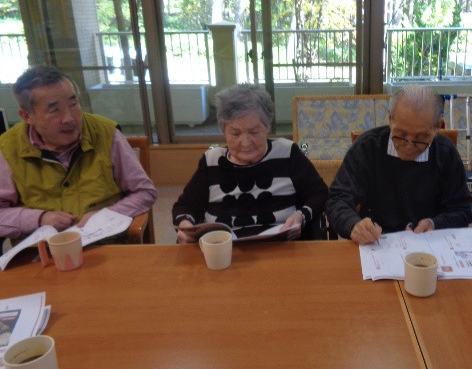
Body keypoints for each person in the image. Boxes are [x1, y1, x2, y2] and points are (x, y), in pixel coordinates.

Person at [0, 66, 158, 240]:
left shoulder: (105, 133)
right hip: (41, 249)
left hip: (104, 244)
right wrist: (39, 219)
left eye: (73, 104)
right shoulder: (7, 148)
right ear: (26, 116)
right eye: (54, 110)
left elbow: (145, 192)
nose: (69, 118)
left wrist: (106, 216)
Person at [173, 85, 328, 243]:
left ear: (267, 127)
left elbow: (319, 193)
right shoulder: (211, 161)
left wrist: (300, 216)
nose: (246, 142)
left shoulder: (287, 152)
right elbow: (184, 206)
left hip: (281, 248)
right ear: (224, 130)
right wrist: (186, 226)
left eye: (254, 132)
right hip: (224, 250)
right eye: (235, 133)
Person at [325, 85, 472, 245]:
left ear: (438, 127)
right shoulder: (367, 147)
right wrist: (353, 224)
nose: (408, 145)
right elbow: (337, 199)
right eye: (401, 135)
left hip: (429, 244)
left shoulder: (445, 153)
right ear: (391, 119)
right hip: (376, 243)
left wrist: (434, 224)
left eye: (420, 138)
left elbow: (462, 209)